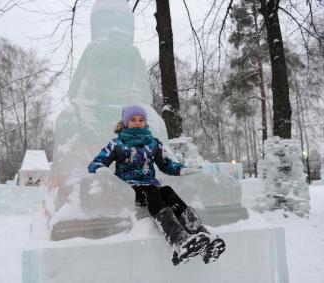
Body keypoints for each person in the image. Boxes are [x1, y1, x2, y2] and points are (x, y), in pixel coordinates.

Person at [88, 105, 225, 265]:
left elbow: (165, 164)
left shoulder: (153, 143)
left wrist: (182, 169)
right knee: (153, 190)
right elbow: (95, 163)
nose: (137, 123)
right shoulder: (117, 143)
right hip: (129, 187)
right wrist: (101, 169)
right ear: (125, 122)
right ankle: (178, 239)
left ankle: (201, 234)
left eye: (141, 120)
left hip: (150, 186)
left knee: (167, 191)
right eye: (133, 119)